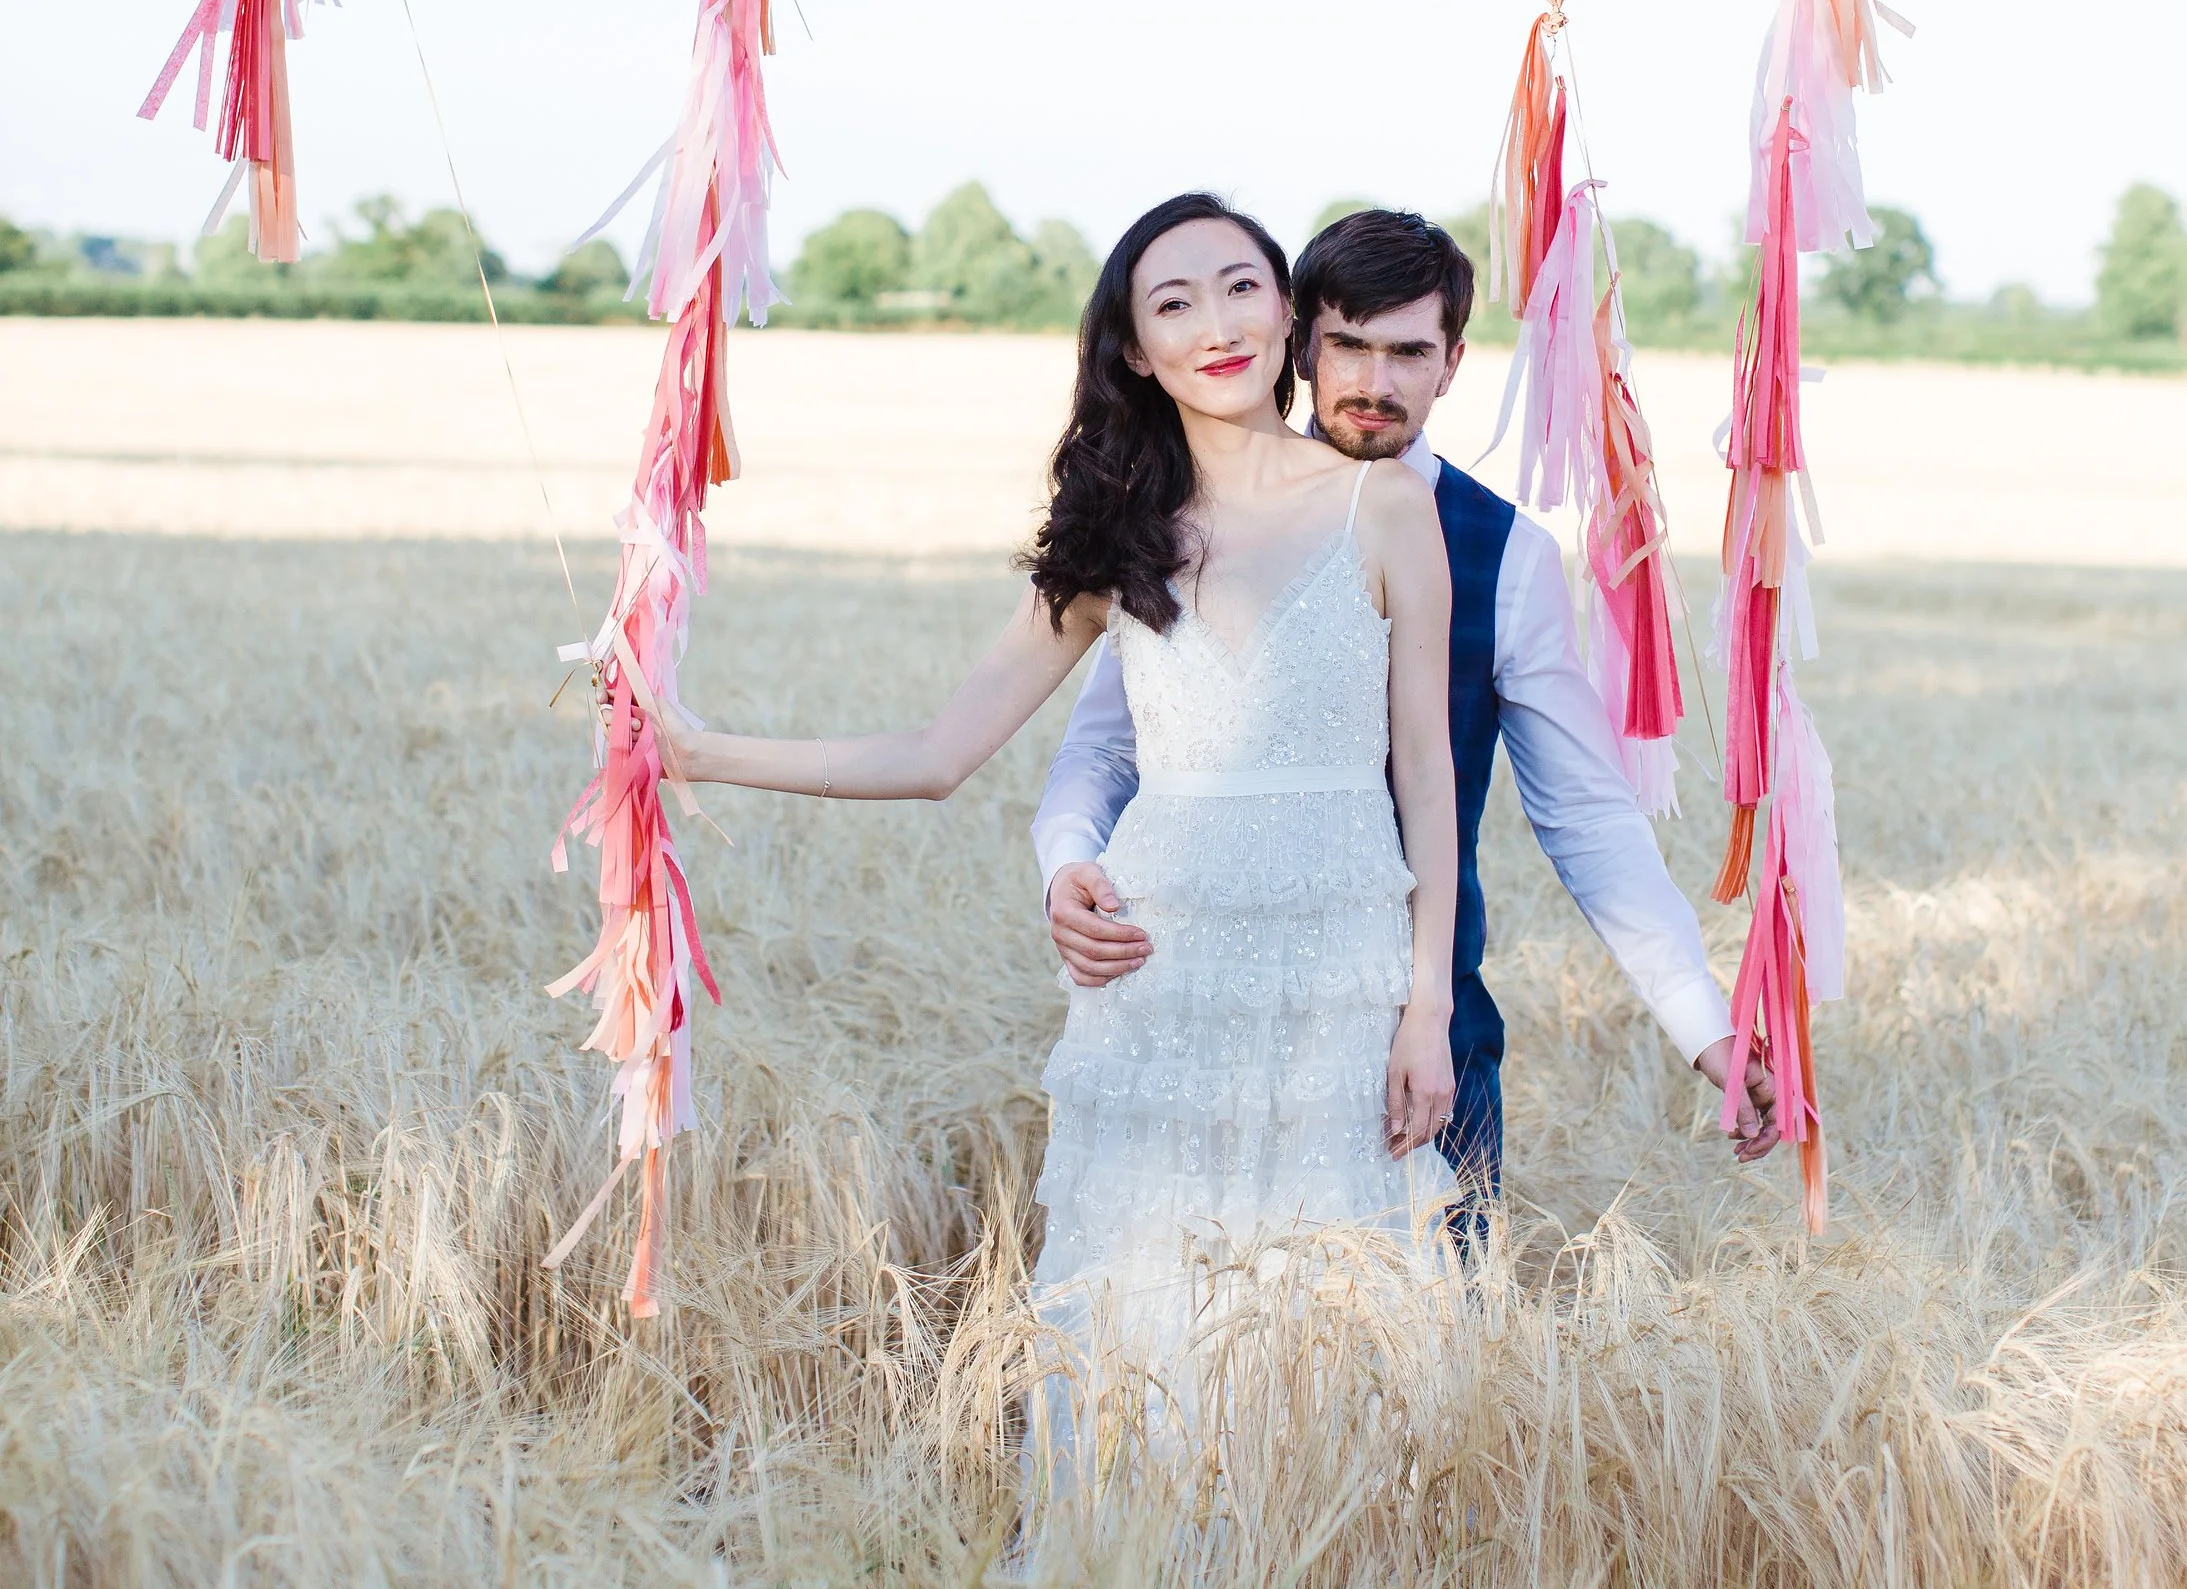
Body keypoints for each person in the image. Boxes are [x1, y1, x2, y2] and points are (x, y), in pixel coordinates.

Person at [659, 189, 1464, 1459]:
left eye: (1241, 286)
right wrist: (693, 752)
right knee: (1151, 1305)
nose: (1217, 325)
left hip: (1340, 982)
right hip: (1160, 975)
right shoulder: (1118, 540)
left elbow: (1425, 772)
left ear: (1289, 314)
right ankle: (1124, 1567)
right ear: (1135, 350)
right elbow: (936, 755)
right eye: (1174, 303)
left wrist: (1426, 1009)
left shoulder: (1386, 508)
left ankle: (1317, 1569)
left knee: (1333, 1299)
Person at [1037, 205, 1778, 1207]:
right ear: (1298, 339)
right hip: (1205, 1007)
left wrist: (1705, 1026)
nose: (1374, 384)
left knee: (1435, 1305)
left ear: (1453, 362)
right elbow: (1103, 749)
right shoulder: (1182, 516)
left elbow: (1586, 815)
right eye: (1347, 344)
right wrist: (1065, 862)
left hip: (1422, 1041)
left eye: (1409, 353)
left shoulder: (1505, 557)